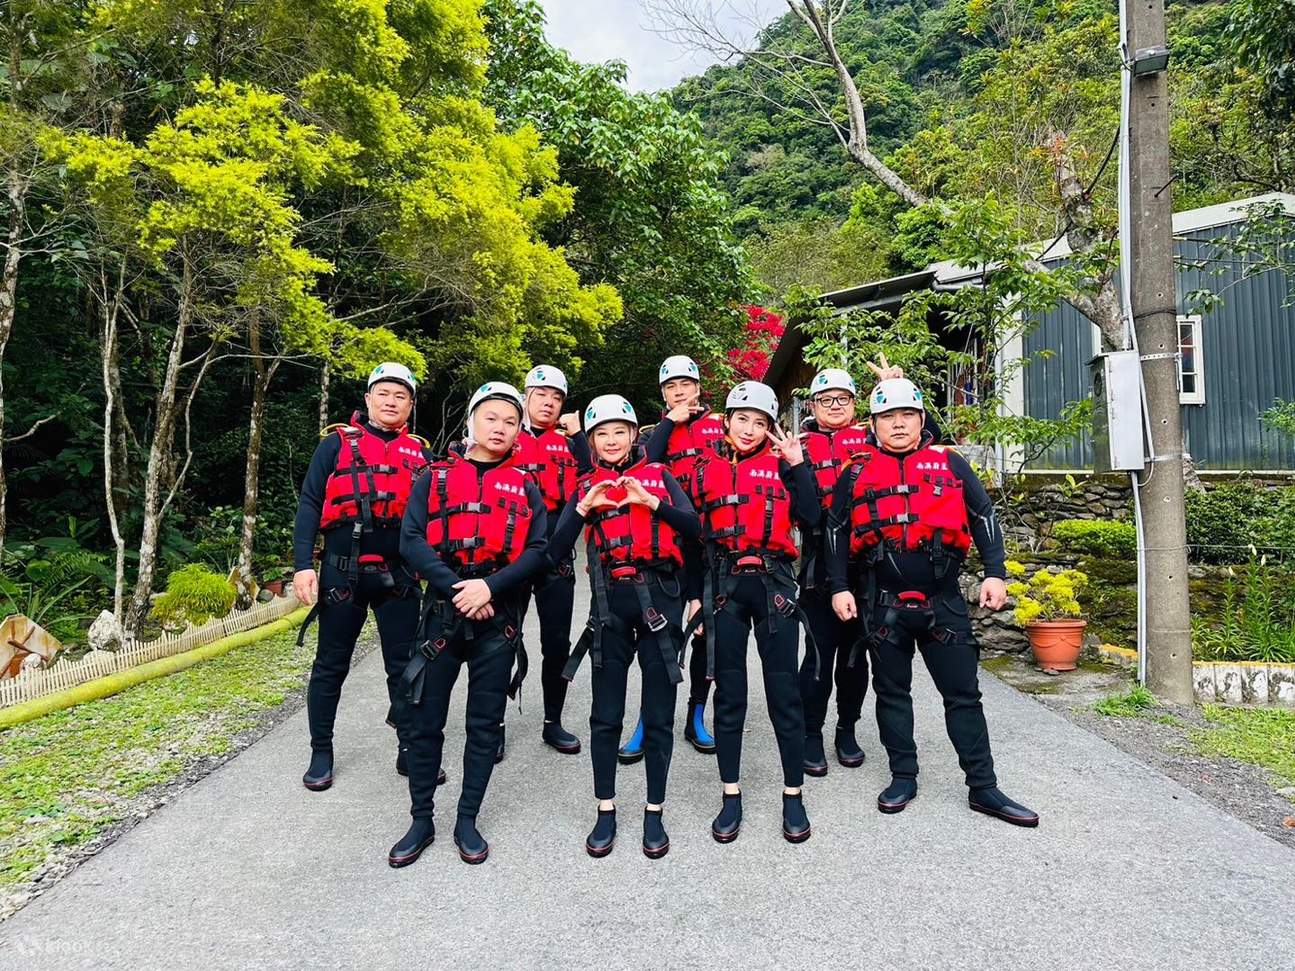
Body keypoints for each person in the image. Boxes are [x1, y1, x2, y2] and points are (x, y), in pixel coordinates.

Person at [826, 378, 1039, 827]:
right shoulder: (856, 471)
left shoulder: (951, 464)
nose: (898, 423)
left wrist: (995, 573)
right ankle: (903, 775)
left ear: (922, 420)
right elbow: (837, 531)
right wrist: (839, 586)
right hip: (882, 605)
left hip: (943, 602)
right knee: (892, 694)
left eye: (907, 415)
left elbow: (983, 515)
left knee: (963, 696)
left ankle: (983, 787)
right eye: (888, 417)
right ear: (874, 425)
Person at [388, 382, 549, 867]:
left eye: (510, 421)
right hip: (442, 614)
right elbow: (410, 539)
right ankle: (421, 818)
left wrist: (490, 588)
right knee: (424, 721)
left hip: (496, 622)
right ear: (471, 422)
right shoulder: (433, 478)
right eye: (491, 418)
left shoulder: (525, 484)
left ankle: (467, 819)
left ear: (519, 431)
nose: (500, 428)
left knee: (483, 725)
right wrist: (459, 588)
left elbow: (538, 551)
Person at [550, 395, 700, 859]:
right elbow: (555, 553)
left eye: (620, 431)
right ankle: (606, 808)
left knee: (658, 712)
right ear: (591, 442)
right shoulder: (586, 487)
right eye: (602, 434)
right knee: (605, 713)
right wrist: (581, 510)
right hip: (609, 603)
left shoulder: (660, 477)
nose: (612, 441)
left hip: (661, 597)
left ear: (636, 436)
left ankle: (655, 810)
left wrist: (651, 501)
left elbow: (695, 528)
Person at [292, 362, 444, 792]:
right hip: (343, 575)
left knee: (406, 666)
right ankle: (321, 749)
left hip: (399, 577)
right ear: (368, 400)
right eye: (384, 393)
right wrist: (304, 565)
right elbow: (309, 505)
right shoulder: (335, 446)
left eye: (401, 395)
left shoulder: (422, 455)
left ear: (411, 404)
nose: (391, 401)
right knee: (330, 666)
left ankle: (409, 748)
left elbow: (437, 519)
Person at [693, 380, 820, 845]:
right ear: (725, 423)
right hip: (725, 586)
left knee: (783, 693)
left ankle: (793, 794)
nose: (749, 429)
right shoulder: (705, 469)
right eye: (741, 419)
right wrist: (694, 594)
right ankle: (731, 795)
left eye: (760, 422)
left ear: (770, 428)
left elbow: (811, 518)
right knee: (729, 695)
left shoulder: (785, 466)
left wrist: (797, 464)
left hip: (774, 586)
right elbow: (694, 534)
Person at [796, 358, 904, 776]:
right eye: (826, 399)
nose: (835, 406)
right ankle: (810, 732)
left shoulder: (872, 437)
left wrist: (894, 389)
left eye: (842, 398)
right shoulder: (798, 445)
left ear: (857, 404)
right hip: (820, 561)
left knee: (857, 654)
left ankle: (847, 728)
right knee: (819, 655)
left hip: (868, 563)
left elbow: (913, 438)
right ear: (814, 404)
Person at [619, 355, 724, 764]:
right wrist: (669, 421)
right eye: (670, 387)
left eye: (685, 384)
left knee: (705, 634)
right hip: (667, 540)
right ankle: (648, 718)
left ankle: (697, 713)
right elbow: (645, 462)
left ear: (699, 387)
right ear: (663, 394)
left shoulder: (721, 425)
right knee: (661, 634)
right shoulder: (651, 434)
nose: (679, 392)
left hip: (713, 541)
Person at [507, 364, 590, 759]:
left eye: (557, 398)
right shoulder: (505, 433)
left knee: (556, 642)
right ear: (526, 396)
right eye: (542, 395)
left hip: (556, 554)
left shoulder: (571, 442)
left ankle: (552, 721)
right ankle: (495, 723)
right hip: (511, 554)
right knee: (502, 640)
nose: (549, 403)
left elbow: (593, 483)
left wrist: (580, 436)